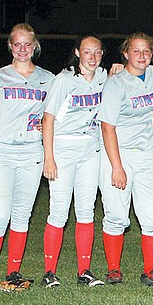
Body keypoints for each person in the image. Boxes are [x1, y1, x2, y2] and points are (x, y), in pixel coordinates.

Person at [0, 23, 55, 288]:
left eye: (28, 44)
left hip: (32, 152)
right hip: (2, 151)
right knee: (0, 214)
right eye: (17, 44)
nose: (23, 49)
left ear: (35, 46)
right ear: (10, 46)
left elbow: (54, 116)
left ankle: (13, 271)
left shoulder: (49, 79)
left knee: (22, 214)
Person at [97, 32, 153, 286]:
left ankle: (150, 270)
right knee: (116, 214)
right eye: (136, 51)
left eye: (146, 51)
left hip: (148, 153)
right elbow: (107, 127)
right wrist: (117, 166)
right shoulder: (116, 83)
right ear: (125, 53)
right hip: (119, 153)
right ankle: (114, 269)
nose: (142, 56)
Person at [40, 34, 107, 288]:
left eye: (97, 52)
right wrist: (49, 157)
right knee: (58, 211)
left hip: (90, 148)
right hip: (64, 148)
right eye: (87, 52)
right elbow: (48, 119)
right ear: (78, 53)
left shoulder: (104, 77)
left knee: (86, 210)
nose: (92, 57)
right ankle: (49, 272)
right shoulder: (64, 80)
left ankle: (84, 271)